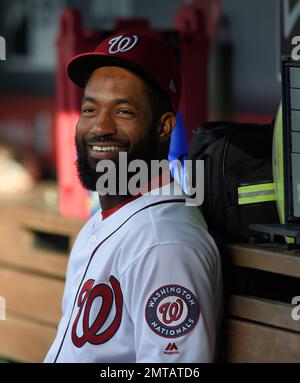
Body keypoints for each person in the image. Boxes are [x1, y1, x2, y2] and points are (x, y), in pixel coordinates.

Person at [44, 31, 223, 363]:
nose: (100, 127)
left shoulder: (165, 244)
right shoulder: (110, 219)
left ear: (163, 127)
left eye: (123, 112)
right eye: (89, 109)